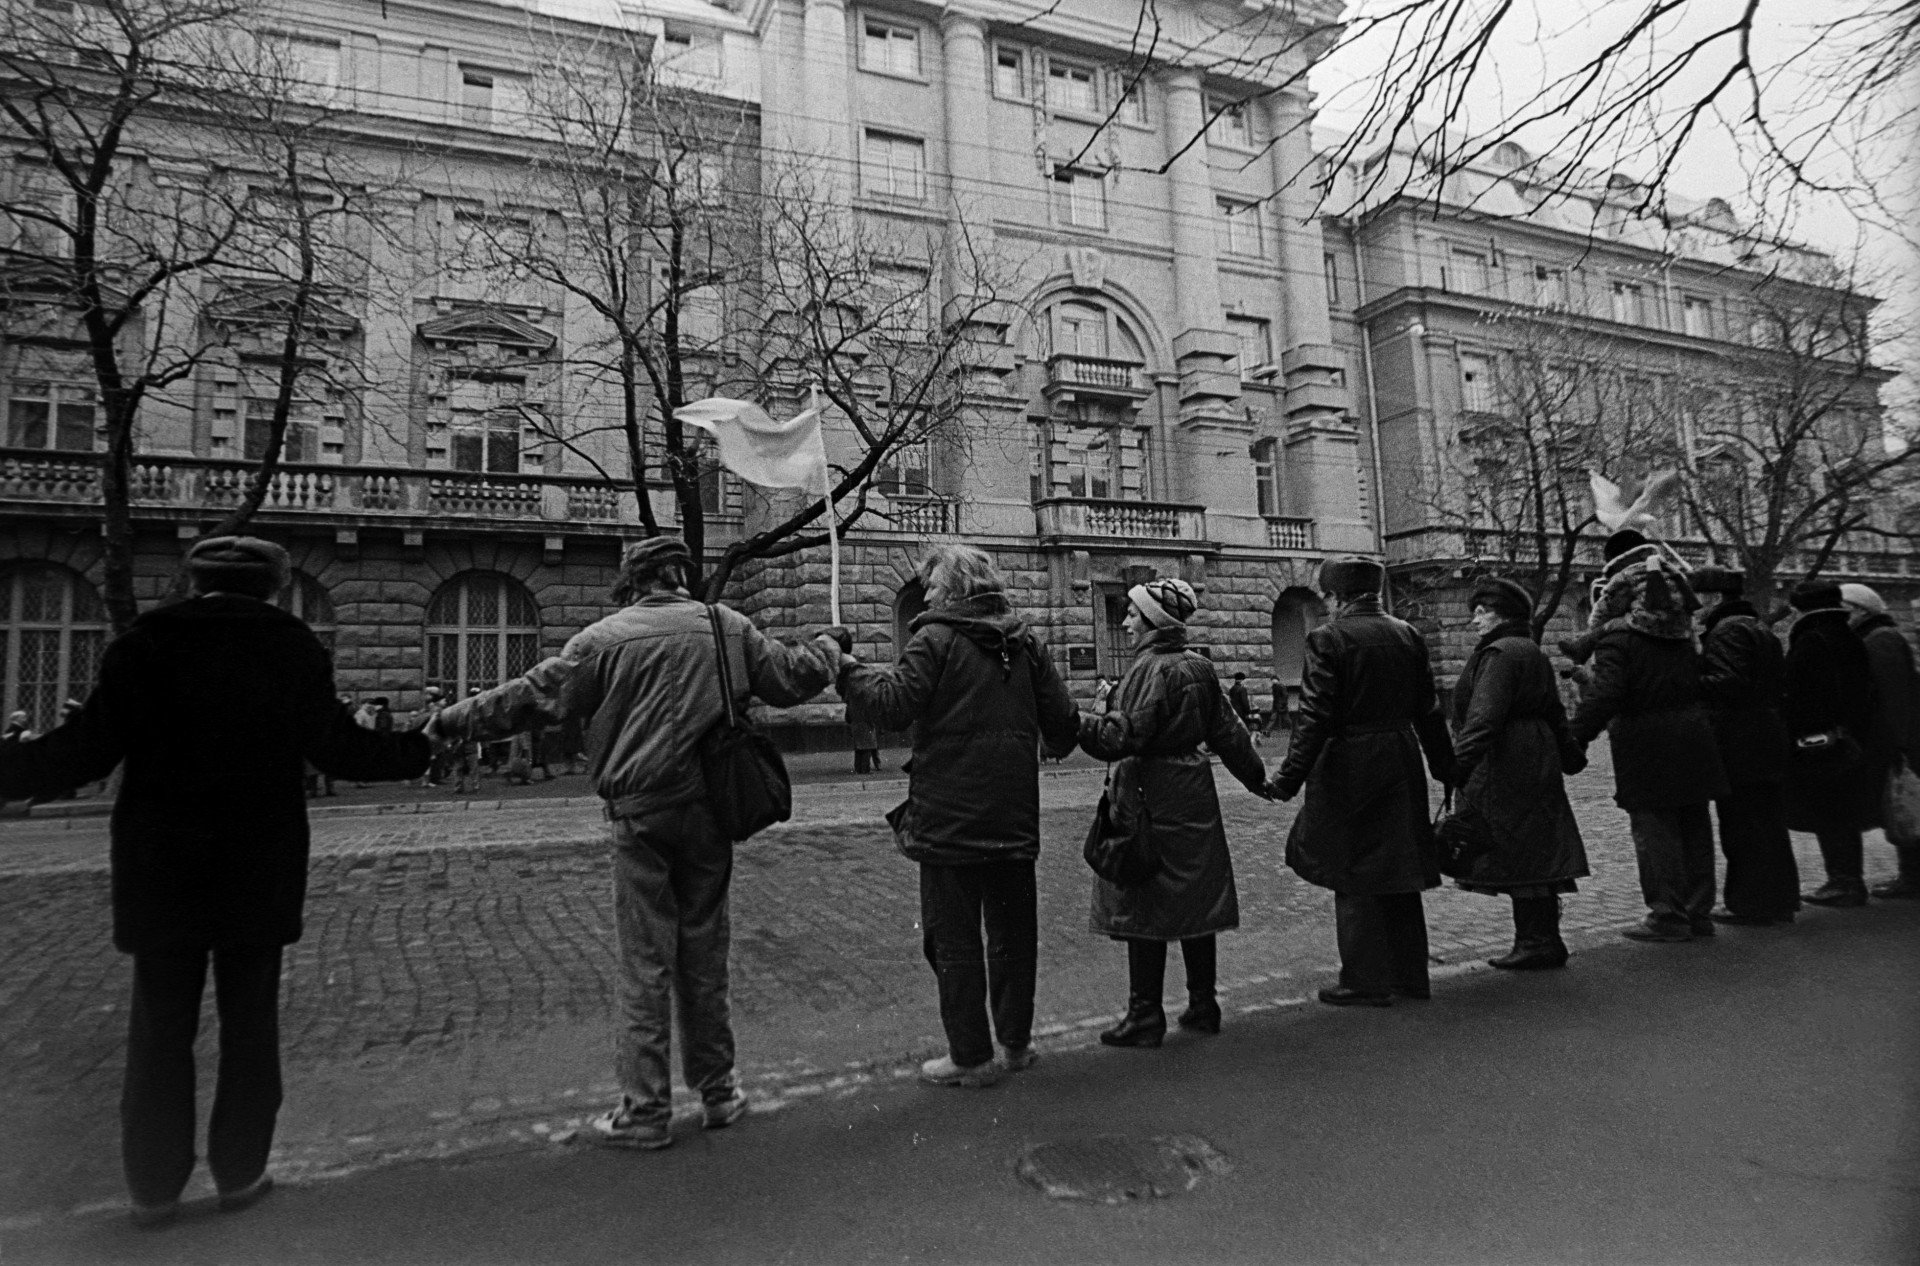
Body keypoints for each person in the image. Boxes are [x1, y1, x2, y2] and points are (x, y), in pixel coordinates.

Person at [0, 536, 427, 1228]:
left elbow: (83, 750)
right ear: (274, 583)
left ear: (194, 580)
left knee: (158, 1030)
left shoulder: (145, 641)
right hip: (256, 861)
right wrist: (420, 748)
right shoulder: (291, 645)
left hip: (160, 864)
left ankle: (153, 1186)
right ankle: (240, 1171)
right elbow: (338, 748)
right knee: (249, 1025)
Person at [428, 535, 842, 1149]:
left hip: (640, 813)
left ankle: (646, 1110)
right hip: (709, 812)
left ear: (633, 582)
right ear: (682, 575)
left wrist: (453, 721)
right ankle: (719, 1091)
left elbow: (532, 698)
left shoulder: (601, 640)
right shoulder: (725, 625)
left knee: (645, 960)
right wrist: (830, 646)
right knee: (705, 953)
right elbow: (790, 678)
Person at [837, 545, 1079, 1087]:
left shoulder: (935, 639)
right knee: (1014, 937)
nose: (925, 595)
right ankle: (1015, 1045)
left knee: (954, 939)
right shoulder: (1027, 643)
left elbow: (892, 707)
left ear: (949, 591)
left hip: (948, 818)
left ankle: (970, 1057)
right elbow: (1064, 728)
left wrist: (846, 668)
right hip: (1014, 817)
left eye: (931, 587)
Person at [1078, 577, 1268, 1045]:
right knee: (1196, 897)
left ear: (1150, 622)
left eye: (1131, 614)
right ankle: (1203, 1004)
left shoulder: (1150, 671)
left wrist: (1073, 724)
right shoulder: (1198, 666)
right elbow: (1229, 732)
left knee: (1142, 897)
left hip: (1148, 794)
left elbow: (1123, 736)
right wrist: (1260, 780)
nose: (1124, 621)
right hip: (1193, 791)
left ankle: (1145, 1016)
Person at [1267, 558, 1453, 1007]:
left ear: (1335, 597)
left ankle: (1365, 978)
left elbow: (1314, 718)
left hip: (1350, 761)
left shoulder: (1328, 639)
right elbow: (1429, 710)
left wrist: (1288, 778)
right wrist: (1446, 768)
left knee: (1352, 870)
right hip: (1400, 756)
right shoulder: (1407, 634)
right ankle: (1411, 976)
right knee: (1401, 868)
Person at [1568, 532, 1730, 942]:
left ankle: (1667, 916)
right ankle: (1698, 913)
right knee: (1694, 826)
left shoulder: (1618, 637)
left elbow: (1607, 695)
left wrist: (1575, 737)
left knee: (1655, 831)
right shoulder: (1682, 634)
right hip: (1693, 738)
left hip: (1647, 744)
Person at [1447, 578, 1589, 970]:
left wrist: (1456, 767)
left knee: (1518, 849)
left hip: (1507, 762)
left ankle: (1536, 941)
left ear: (1504, 614)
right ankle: (1542, 939)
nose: (1475, 619)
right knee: (1535, 849)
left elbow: (1483, 718)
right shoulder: (1529, 650)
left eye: (1482, 611)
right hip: (1534, 757)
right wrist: (1570, 755)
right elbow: (1555, 711)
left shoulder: (1500, 654)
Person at [1691, 567, 1798, 925]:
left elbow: (1727, 681)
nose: (1695, 608)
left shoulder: (1727, 631)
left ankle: (1752, 902)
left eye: (1699, 599)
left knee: (1743, 825)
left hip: (1740, 739)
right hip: (1764, 734)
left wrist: (1690, 677)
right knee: (1768, 823)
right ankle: (1777, 899)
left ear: (1713, 598)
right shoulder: (1757, 627)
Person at [1784, 581, 1884, 907]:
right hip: (1850, 735)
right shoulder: (1849, 637)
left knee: (1829, 810)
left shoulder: (1812, 639)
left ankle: (1842, 881)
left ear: (1803, 609)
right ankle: (1848, 878)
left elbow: (1802, 694)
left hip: (1819, 740)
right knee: (1843, 810)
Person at [1842, 584, 1920, 898]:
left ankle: (1912, 879)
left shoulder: (1879, 641)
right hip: (1901, 739)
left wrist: (1897, 745)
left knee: (1904, 806)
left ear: (1860, 610)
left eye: (1844, 608)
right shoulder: (1879, 637)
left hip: (1900, 742)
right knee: (1902, 807)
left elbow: (1893, 697)